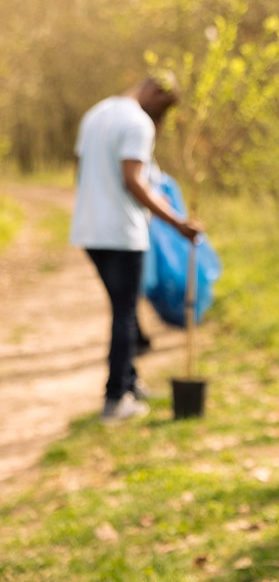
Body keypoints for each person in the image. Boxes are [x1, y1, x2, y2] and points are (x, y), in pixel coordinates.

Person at [70, 75, 202, 425]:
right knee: (125, 313)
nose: (160, 118)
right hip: (121, 234)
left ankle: (129, 381)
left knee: (121, 308)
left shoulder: (96, 113)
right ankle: (116, 399)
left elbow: (80, 171)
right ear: (154, 92)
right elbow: (134, 180)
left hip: (89, 232)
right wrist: (178, 223)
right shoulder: (137, 123)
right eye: (162, 109)